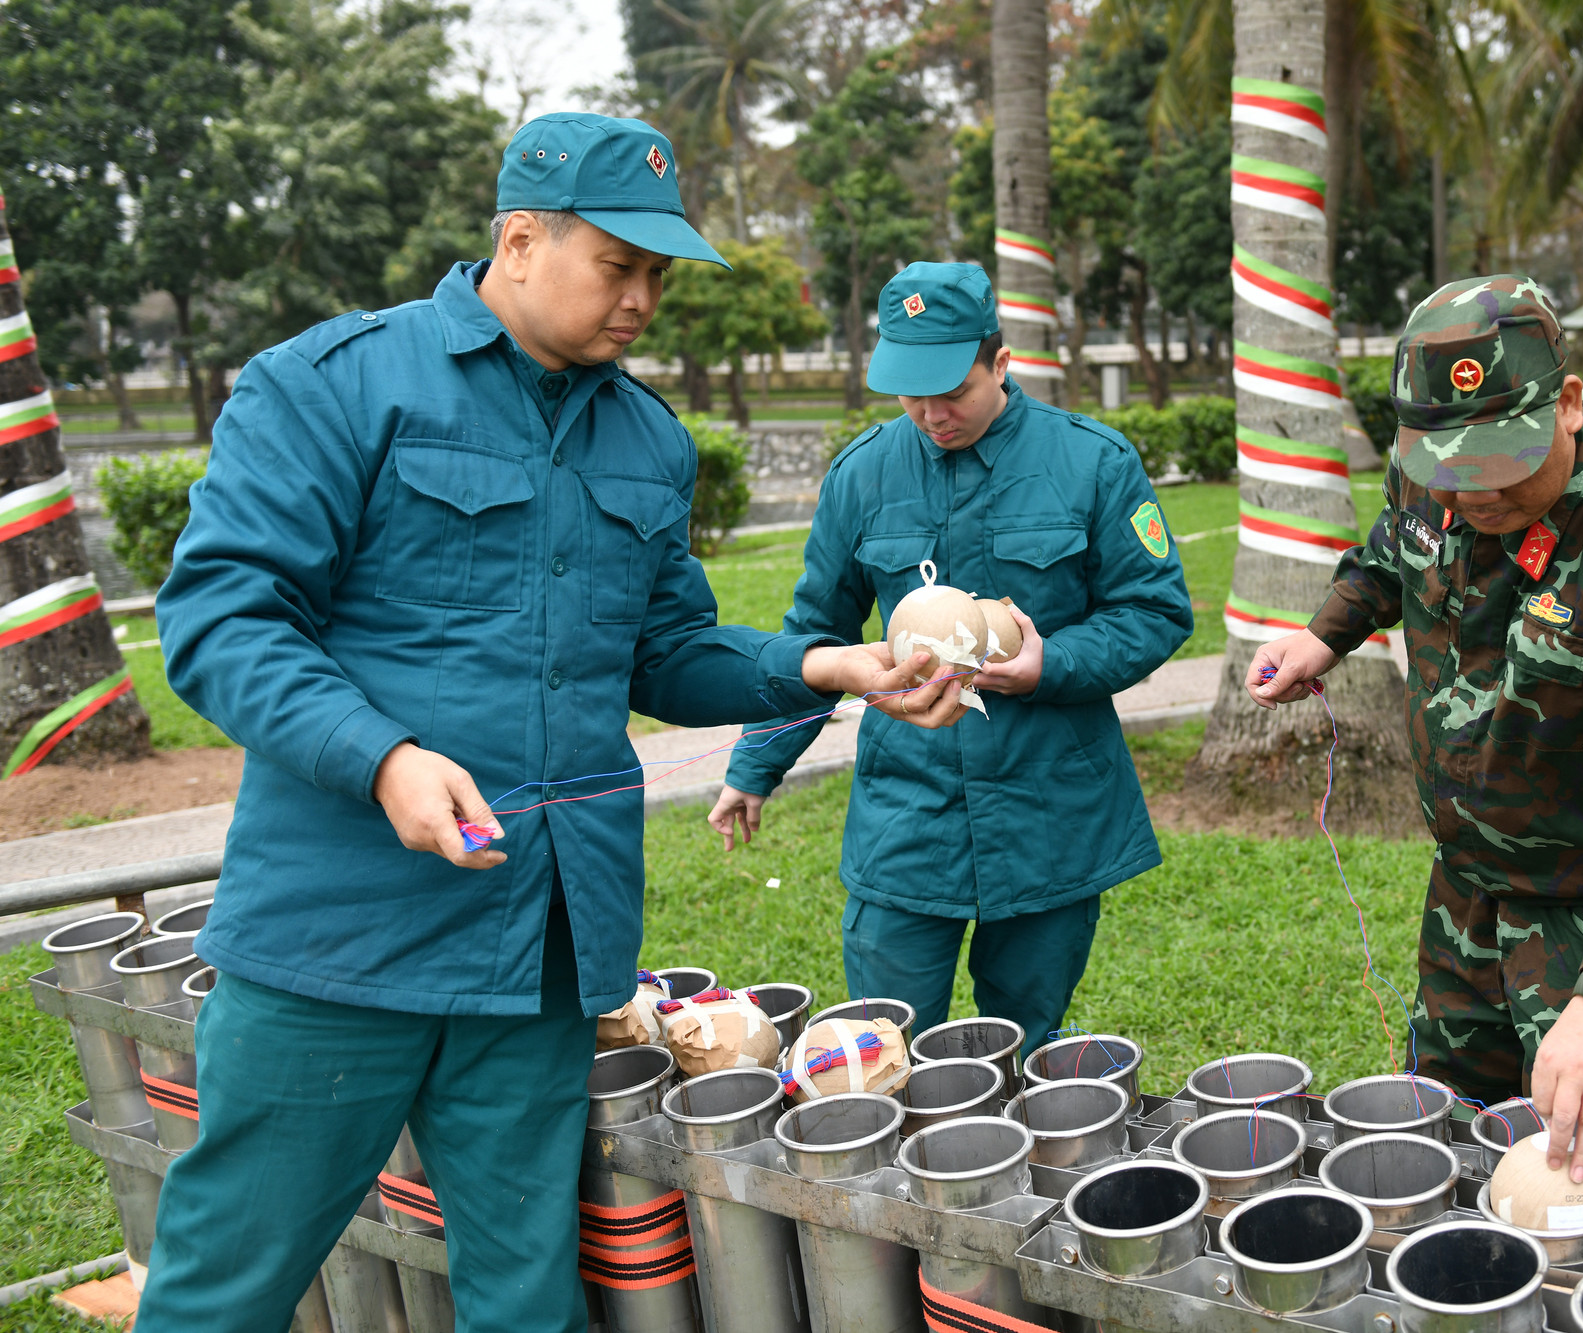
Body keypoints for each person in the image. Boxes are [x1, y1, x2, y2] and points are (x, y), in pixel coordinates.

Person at [143, 113, 959, 1331]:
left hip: (541, 941)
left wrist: (829, 664)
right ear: (519, 241)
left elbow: (667, 653)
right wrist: (384, 761)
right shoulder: (336, 386)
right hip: (341, 933)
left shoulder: (646, 436)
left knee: (528, 1287)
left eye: (658, 275)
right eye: (616, 267)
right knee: (231, 1279)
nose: (641, 300)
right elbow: (222, 619)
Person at [1249, 275, 1583, 1184]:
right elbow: (1388, 551)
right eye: (1447, 468)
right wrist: (1323, 636)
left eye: (1498, 463)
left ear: (1567, 403)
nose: (1471, 494)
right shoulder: (1434, 468)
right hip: (1467, 893)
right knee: (1444, 1145)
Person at [707, 262, 1193, 1050]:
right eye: (911, 394)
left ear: (1001, 364)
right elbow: (816, 631)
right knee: (883, 1043)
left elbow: (1155, 611)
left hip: (1048, 805)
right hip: (908, 809)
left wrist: (1050, 664)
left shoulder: (1093, 462)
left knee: (1027, 1041)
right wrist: (754, 765)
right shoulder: (863, 473)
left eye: (953, 391)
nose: (932, 414)